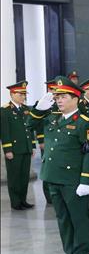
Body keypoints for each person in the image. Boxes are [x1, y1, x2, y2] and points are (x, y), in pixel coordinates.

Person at [28, 76, 89, 254]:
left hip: (73, 181)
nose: (58, 100)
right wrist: (38, 109)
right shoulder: (51, 118)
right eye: (57, 97)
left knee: (78, 219)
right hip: (53, 178)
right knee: (63, 219)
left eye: (63, 96)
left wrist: (86, 181)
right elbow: (28, 125)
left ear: (75, 98)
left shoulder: (85, 123)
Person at [2, 81, 36, 210]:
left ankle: (23, 200)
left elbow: (30, 129)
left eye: (24, 94)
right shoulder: (5, 110)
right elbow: (5, 132)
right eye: (20, 94)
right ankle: (16, 202)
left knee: (24, 176)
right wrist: (7, 149)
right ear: (12, 94)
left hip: (25, 148)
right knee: (14, 176)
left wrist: (32, 146)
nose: (23, 96)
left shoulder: (26, 109)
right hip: (14, 150)